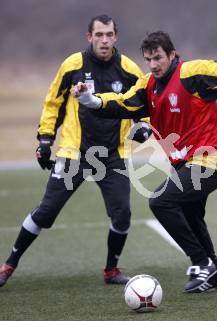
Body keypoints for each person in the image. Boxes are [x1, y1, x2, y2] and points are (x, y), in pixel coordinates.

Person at [71, 30, 217, 293]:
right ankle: (215, 272)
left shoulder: (191, 73)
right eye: (148, 59)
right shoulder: (148, 84)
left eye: (158, 58)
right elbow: (123, 103)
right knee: (192, 217)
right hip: (184, 164)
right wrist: (91, 100)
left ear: (172, 55)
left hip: (210, 162)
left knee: (161, 201)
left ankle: (200, 262)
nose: (153, 64)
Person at [0, 14, 146, 288]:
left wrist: (144, 126)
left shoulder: (128, 69)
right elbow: (52, 103)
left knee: (123, 214)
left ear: (116, 37)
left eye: (109, 35)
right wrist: (45, 139)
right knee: (46, 212)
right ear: (88, 37)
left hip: (112, 156)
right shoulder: (72, 65)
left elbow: (146, 101)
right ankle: (8, 264)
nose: (104, 40)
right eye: (99, 35)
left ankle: (111, 270)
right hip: (74, 154)